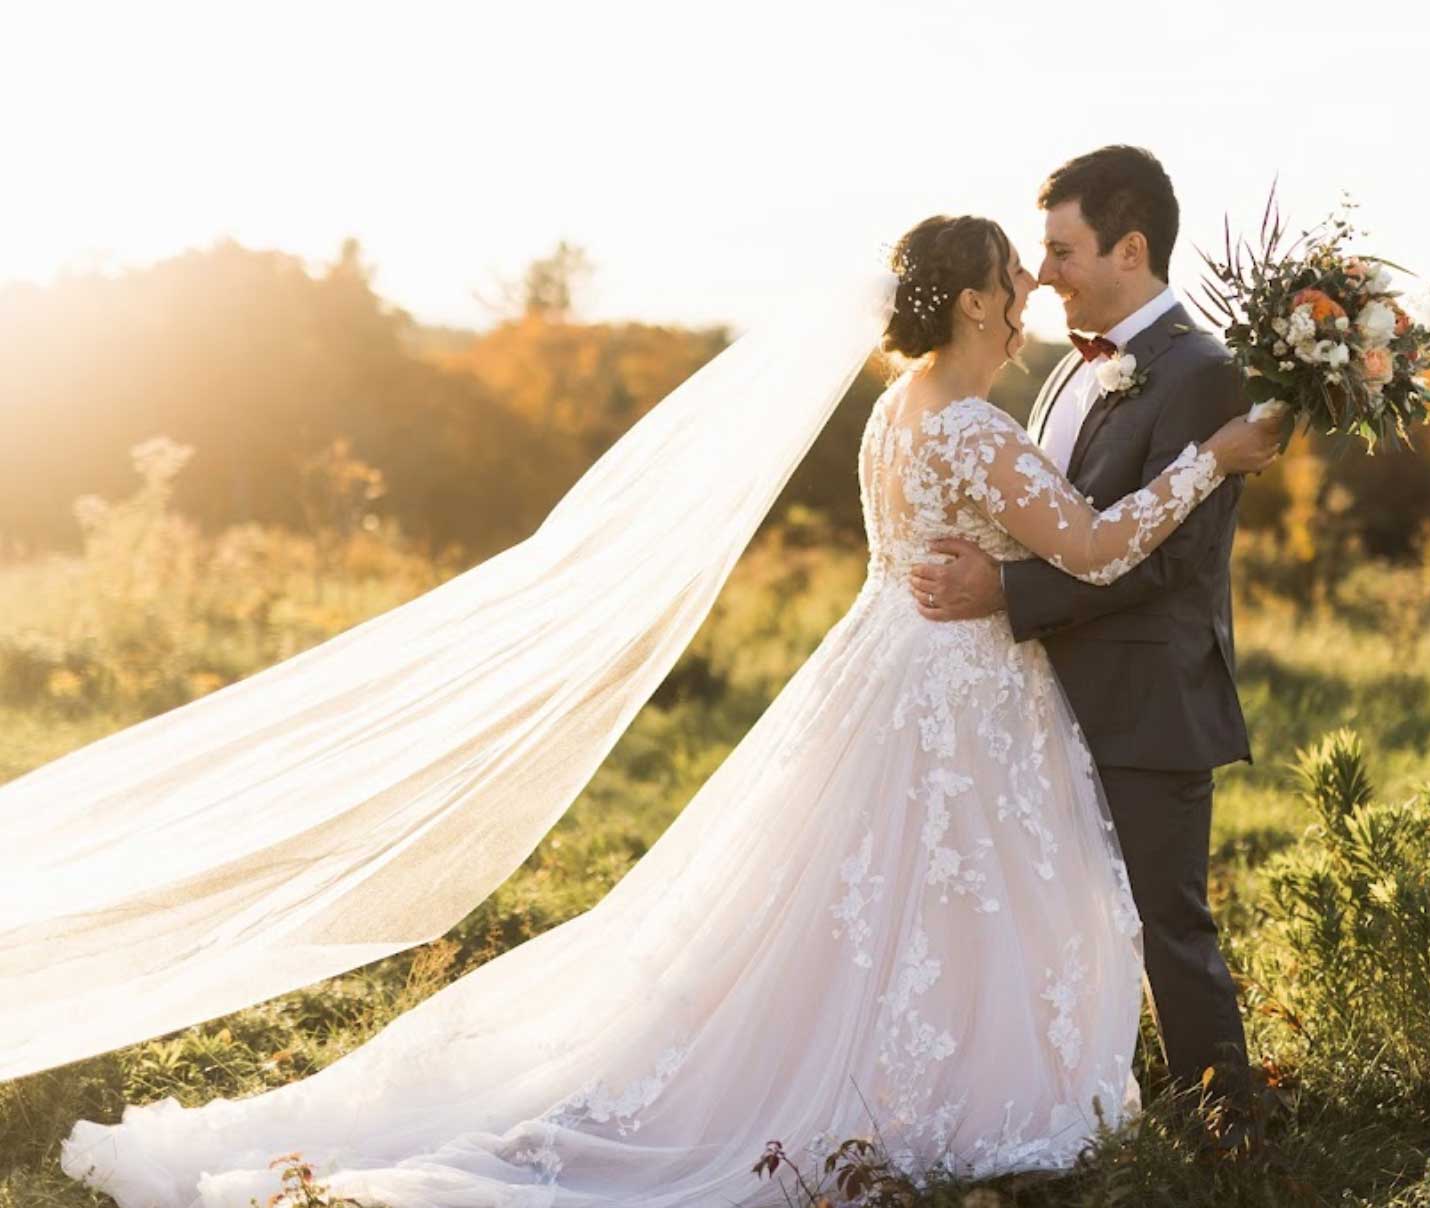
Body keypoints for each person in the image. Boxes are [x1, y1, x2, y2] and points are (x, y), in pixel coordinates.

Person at [58, 214, 1283, 1208]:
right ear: (970, 301)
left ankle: (897, 1065)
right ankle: (922, 1091)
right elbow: (1098, 543)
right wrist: (1210, 461)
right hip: (949, 690)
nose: (1025, 288)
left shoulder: (891, 412)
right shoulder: (968, 423)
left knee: (860, 905)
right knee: (931, 894)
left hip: (884, 667)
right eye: (1011, 275)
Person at [908, 146, 1261, 1118]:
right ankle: (1086, 1093)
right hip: (1040, 694)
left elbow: (1168, 561)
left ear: (1129, 247)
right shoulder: (1068, 369)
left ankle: (1229, 1127)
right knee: (1047, 919)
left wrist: (1005, 595)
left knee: (1164, 921)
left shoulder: (1201, 373)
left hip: (1144, 697)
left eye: (1062, 249)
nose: (1043, 272)